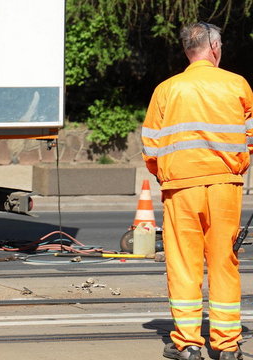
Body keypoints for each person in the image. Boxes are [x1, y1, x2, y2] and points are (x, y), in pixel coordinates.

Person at [142, 22, 253, 360]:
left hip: (181, 189)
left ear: (187, 50)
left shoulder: (166, 90)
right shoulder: (238, 85)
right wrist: (236, 167)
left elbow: (150, 146)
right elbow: (249, 138)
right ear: (215, 48)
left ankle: (188, 343)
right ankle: (226, 344)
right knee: (223, 262)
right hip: (225, 186)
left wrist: (166, 175)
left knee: (183, 263)